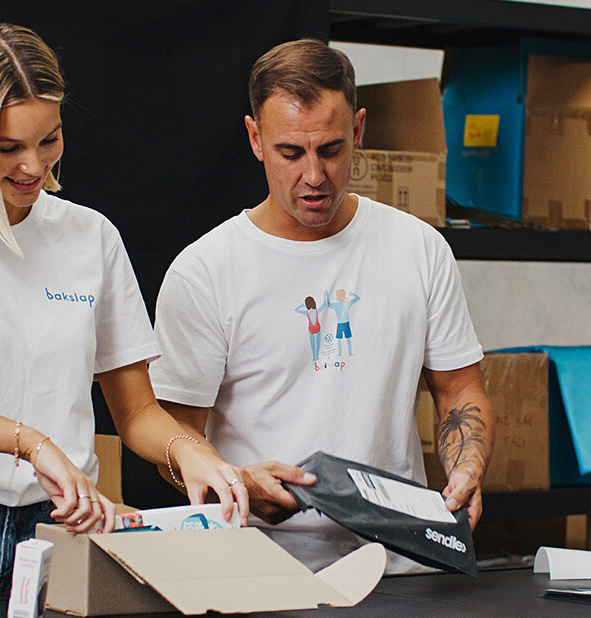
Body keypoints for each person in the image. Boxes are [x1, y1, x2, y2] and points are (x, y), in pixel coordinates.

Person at [0, 22, 248, 604]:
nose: (33, 165)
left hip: (59, 533)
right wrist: (28, 441)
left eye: (49, 140)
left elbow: (136, 414)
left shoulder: (91, 237)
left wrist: (194, 454)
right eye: (8, 148)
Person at [149, 39, 494, 572]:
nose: (314, 175)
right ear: (255, 139)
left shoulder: (418, 247)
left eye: (331, 150)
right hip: (259, 569)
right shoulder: (205, 272)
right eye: (292, 153)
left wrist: (467, 466)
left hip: (401, 566)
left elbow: (459, 389)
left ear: (357, 130)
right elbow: (173, 437)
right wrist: (239, 482)